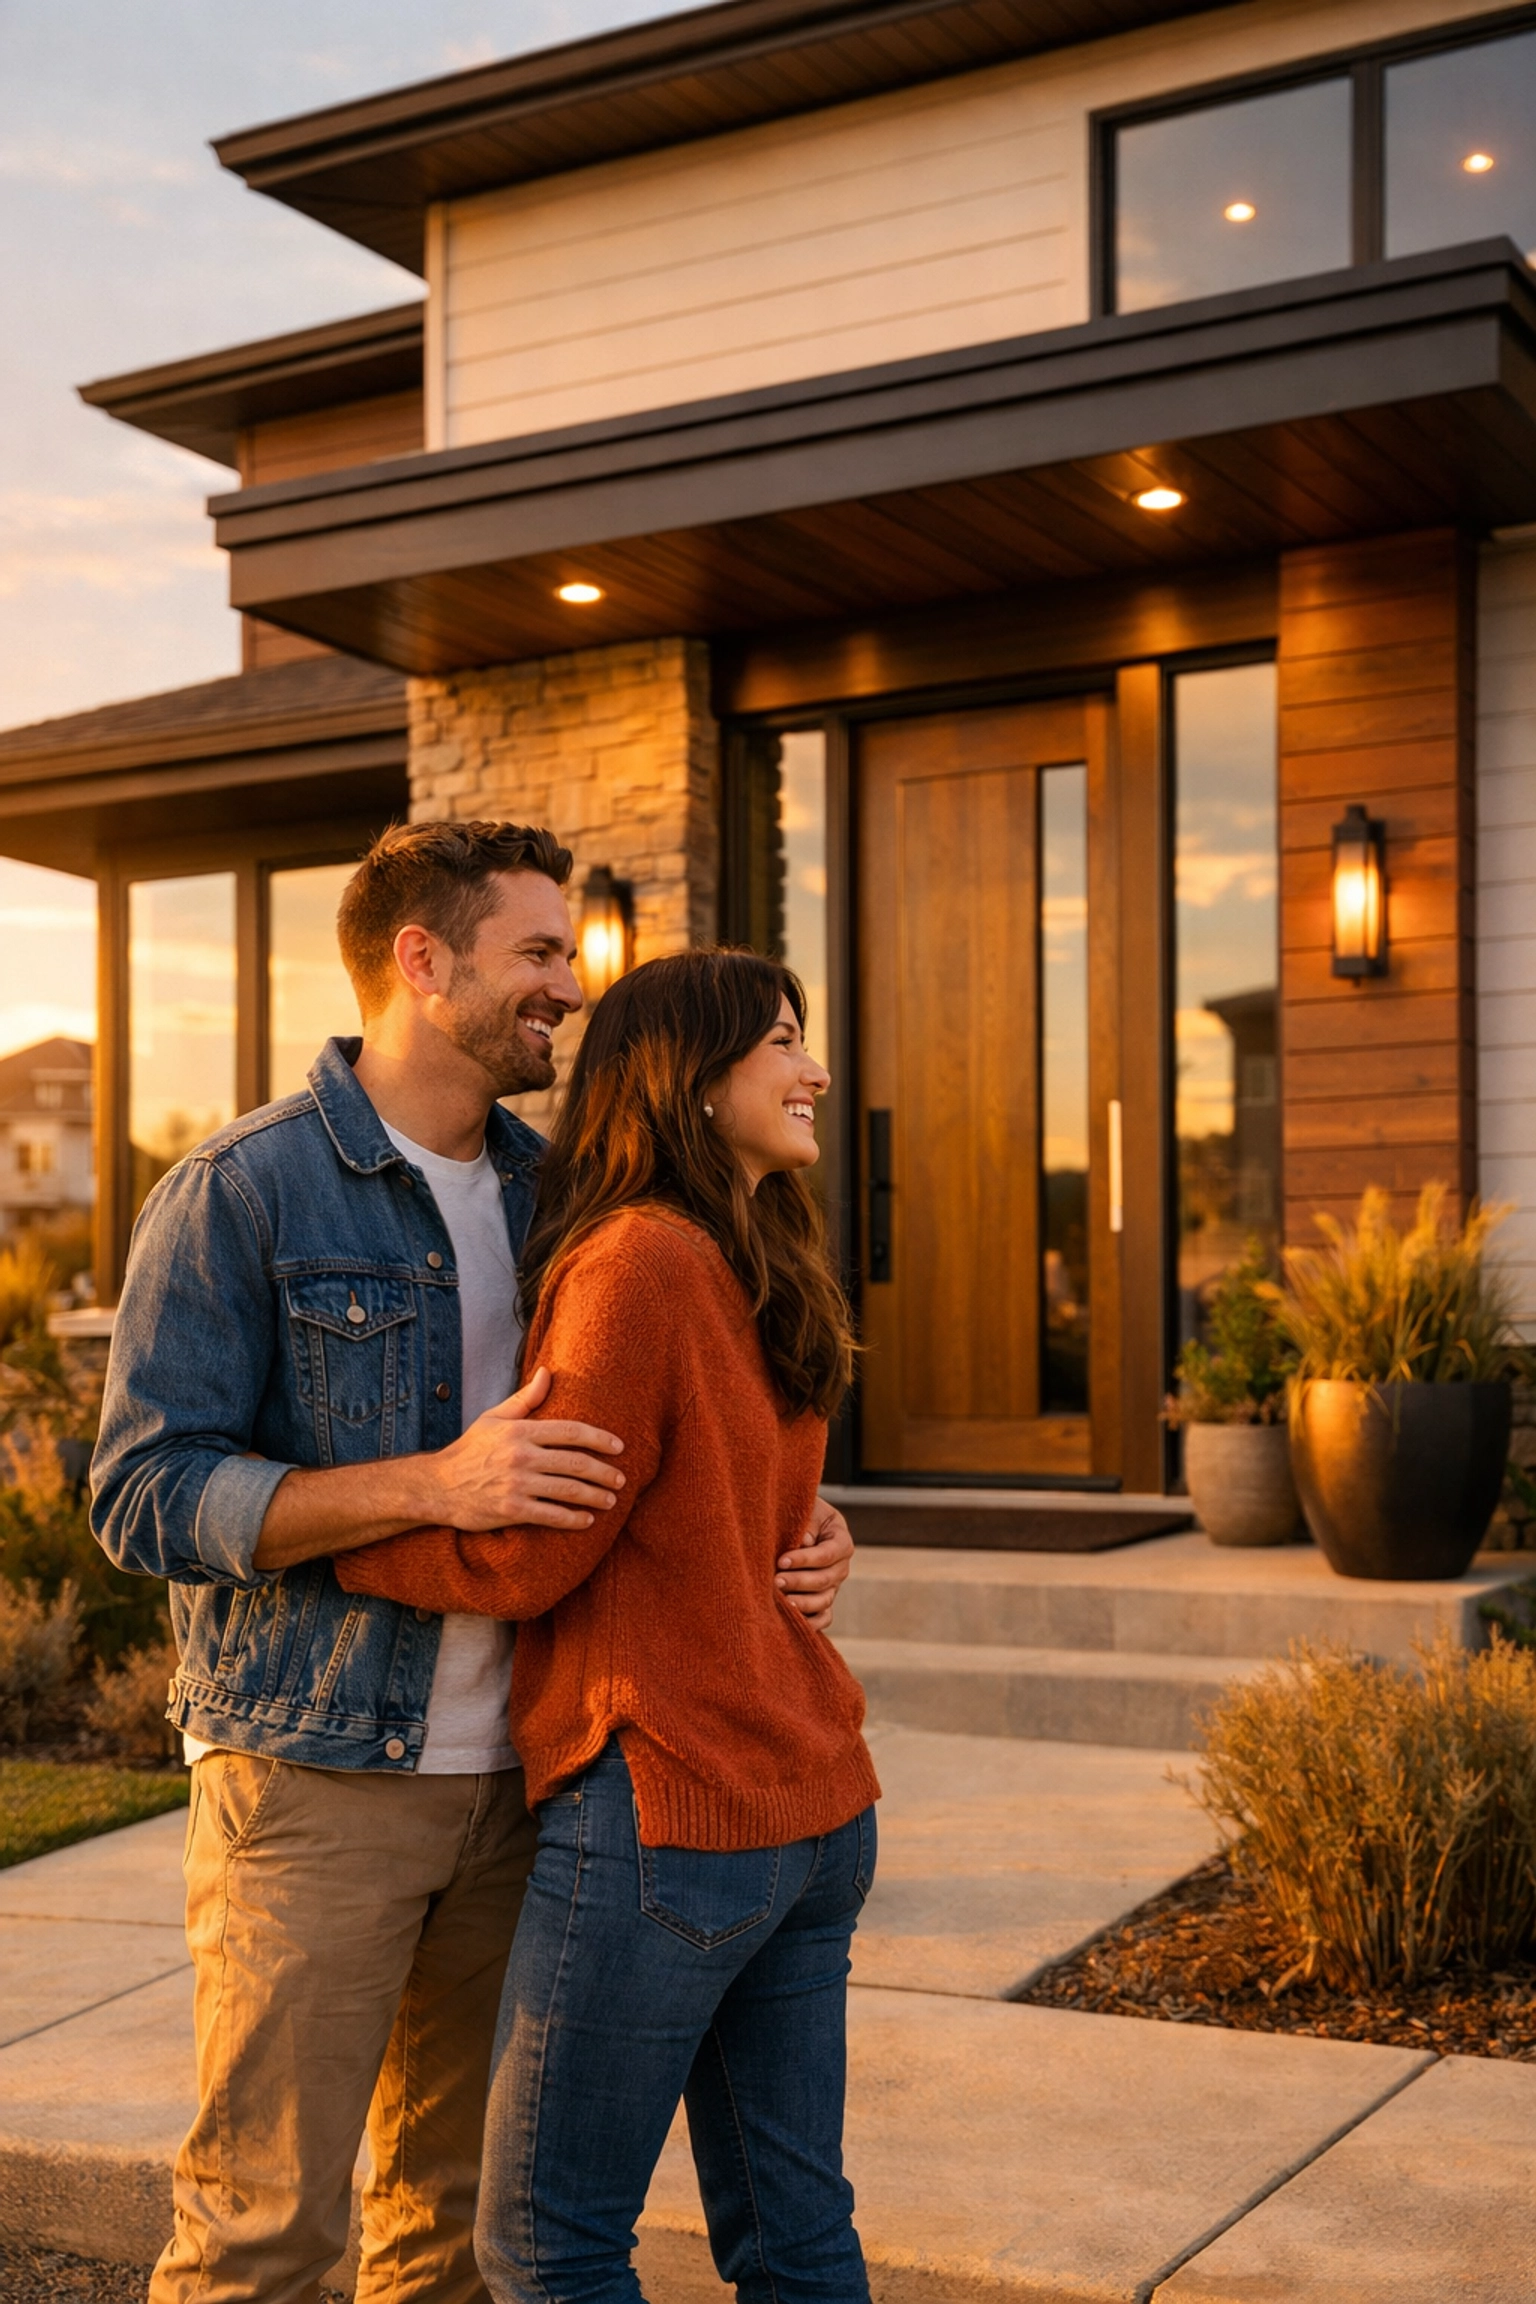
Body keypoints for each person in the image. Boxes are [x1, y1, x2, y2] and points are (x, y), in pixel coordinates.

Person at [89, 823, 854, 2304]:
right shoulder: (245, 1191)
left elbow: (675, 1440)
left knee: (444, 2229)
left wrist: (800, 1525)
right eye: (539, 955)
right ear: (421, 964)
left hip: (522, 1785)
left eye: (569, 955)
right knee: (264, 2230)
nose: (569, 987)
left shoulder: (557, 1191)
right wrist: (422, 1485)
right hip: (317, 1781)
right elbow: (140, 1494)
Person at [335, 948, 880, 2304]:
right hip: (811, 1813)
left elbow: (527, 1557)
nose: (815, 1070)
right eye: (781, 1043)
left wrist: (338, 1546)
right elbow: (765, 1523)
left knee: (546, 2240)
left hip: (678, 1814)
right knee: (794, 2236)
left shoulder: (638, 1259)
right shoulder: (764, 1262)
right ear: (691, 1085)